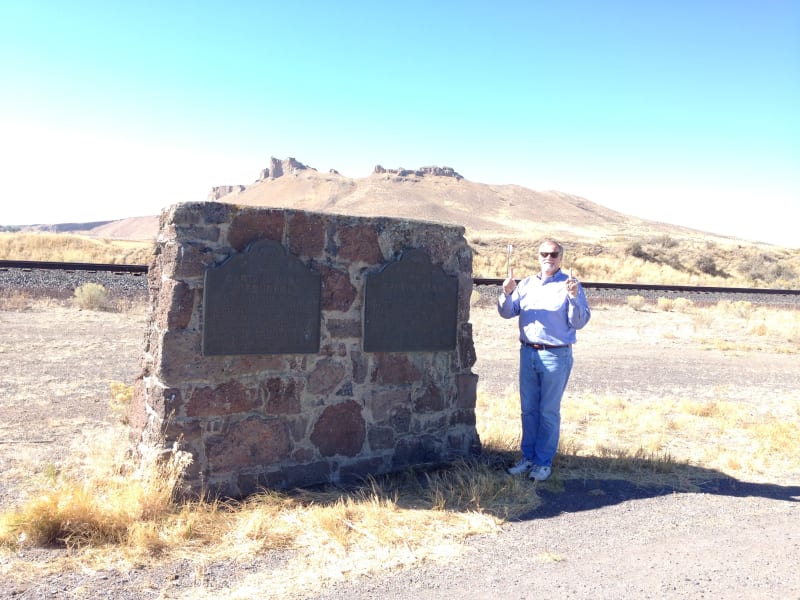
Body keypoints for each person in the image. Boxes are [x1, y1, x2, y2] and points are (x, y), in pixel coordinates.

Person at [498, 239, 591, 481]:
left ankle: (543, 462)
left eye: (554, 254)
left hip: (555, 355)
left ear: (561, 257)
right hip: (528, 352)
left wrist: (573, 297)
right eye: (544, 254)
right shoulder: (527, 284)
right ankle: (527, 458)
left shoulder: (571, 285)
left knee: (548, 411)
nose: (548, 258)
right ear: (537, 256)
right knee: (528, 410)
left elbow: (579, 322)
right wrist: (506, 294)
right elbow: (507, 312)